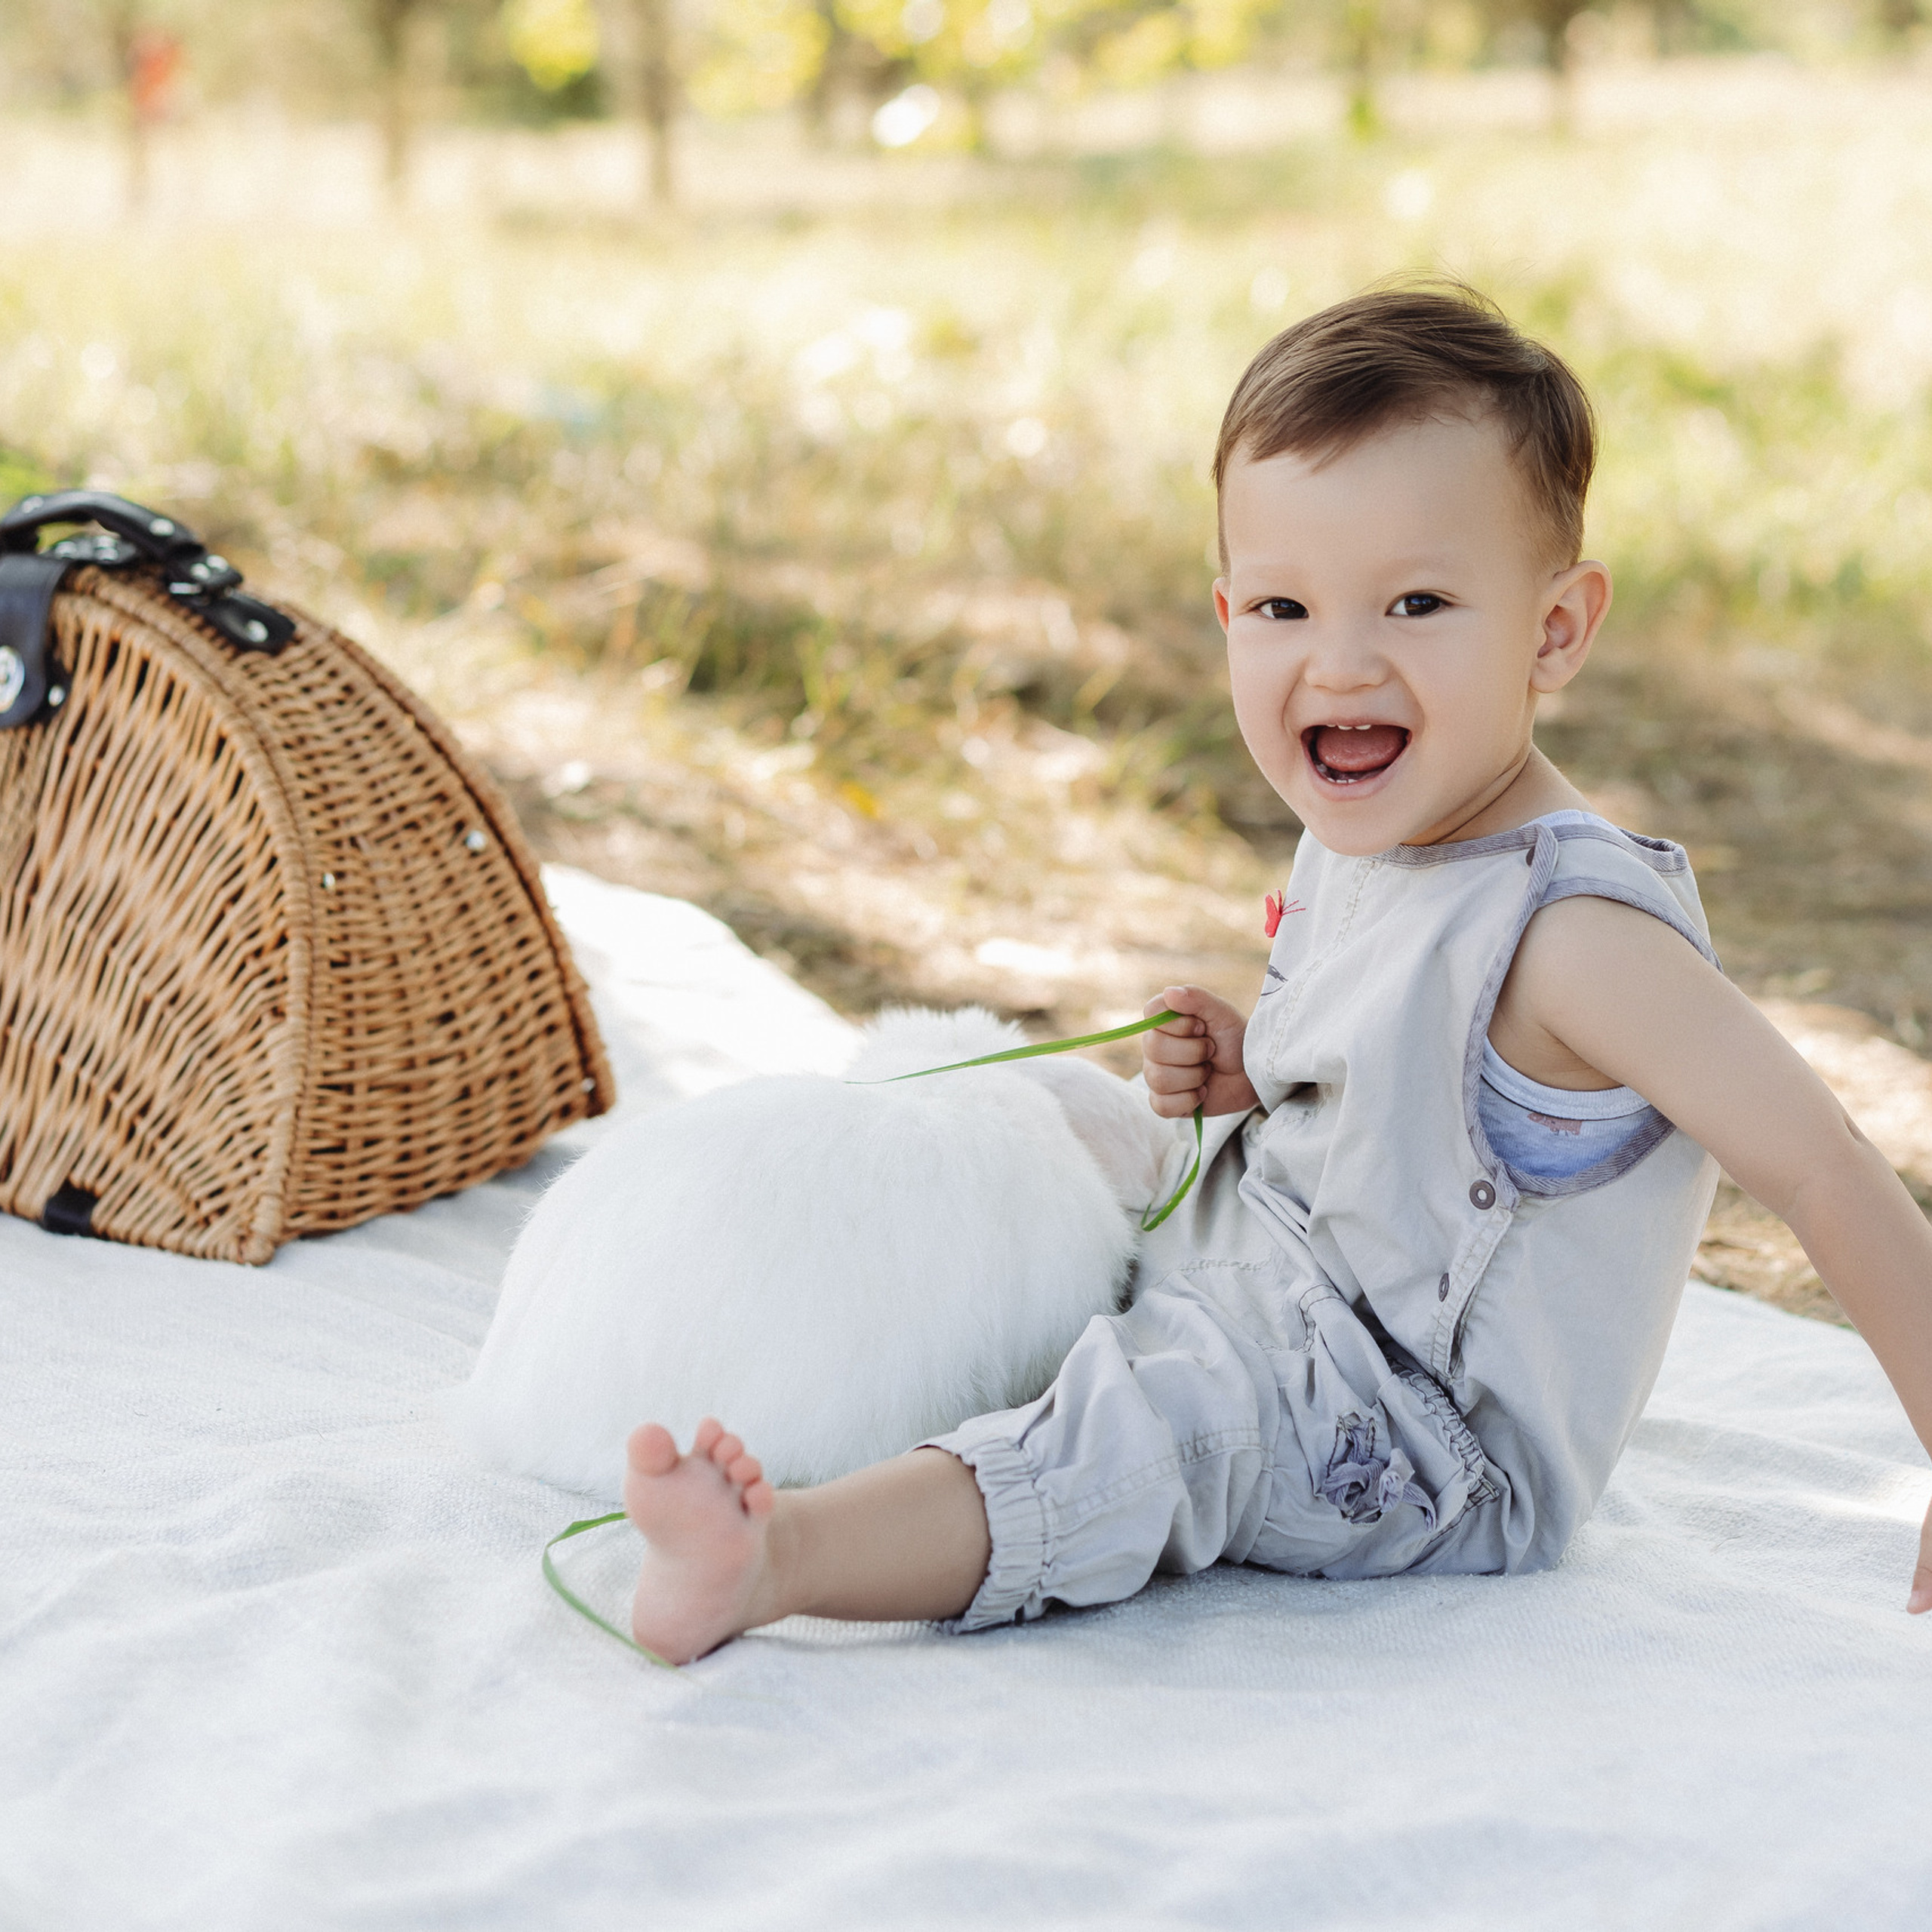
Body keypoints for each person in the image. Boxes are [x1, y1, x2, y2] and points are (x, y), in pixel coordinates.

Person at [617, 285, 1932, 1664]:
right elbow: (1405, 1088)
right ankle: (783, 1346)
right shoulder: (1375, 822)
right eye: (1286, 607)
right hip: (1270, 1263)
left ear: (1554, 631)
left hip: (1407, 1431)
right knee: (1019, 1126)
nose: (1341, 661)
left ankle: (784, 1558)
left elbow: (1824, 1164)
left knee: (1151, 1426)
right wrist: (1256, 1069)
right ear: (1228, 612)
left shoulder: (1577, 935)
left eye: (1418, 602)